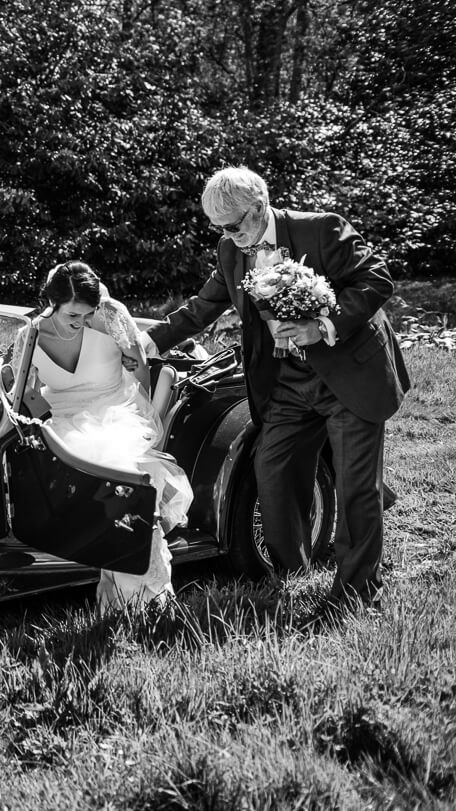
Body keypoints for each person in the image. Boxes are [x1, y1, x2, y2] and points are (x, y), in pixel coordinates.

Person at [144, 166, 410, 612]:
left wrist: (322, 325)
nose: (229, 236)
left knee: (355, 487)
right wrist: (146, 342)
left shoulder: (322, 229)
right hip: (287, 382)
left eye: (234, 225)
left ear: (260, 206)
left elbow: (377, 279)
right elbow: (204, 306)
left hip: (348, 373)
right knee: (272, 470)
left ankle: (357, 592)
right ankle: (292, 571)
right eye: (218, 229)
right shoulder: (231, 249)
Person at [17, 261, 193, 609]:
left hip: (115, 413)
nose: (82, 322)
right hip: (61, 420)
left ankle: (150, 598)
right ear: (50, 303)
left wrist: (145, 424)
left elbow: (139, 368)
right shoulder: (30, 334)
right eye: (72, 316)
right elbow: (27, 393)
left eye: (88, 314)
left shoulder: (111, 316)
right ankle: (114, 591)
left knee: (118, 478)